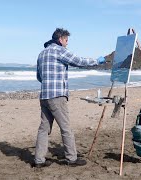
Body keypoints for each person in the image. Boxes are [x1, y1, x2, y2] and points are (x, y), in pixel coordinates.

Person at [34, 28, 106, 168]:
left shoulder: (41, 53)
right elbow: (78, 61)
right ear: (60, 39)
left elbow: (38, 77)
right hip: (57, 96)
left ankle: (39, 160)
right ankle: (72, 158)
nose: (67, 44)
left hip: (44, 96)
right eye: (66, 40)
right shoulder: (59, 50)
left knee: (44, 129)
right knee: (66, 127)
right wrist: (97, 61)